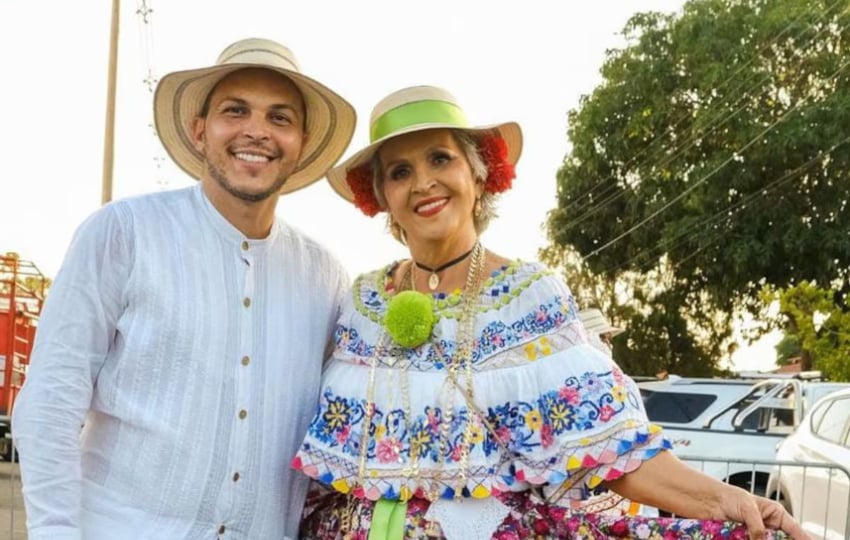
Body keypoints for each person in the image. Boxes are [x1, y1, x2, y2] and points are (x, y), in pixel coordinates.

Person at [291, 85, 808, 539]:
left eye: (440, 159)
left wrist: (731, 501)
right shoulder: (362, 305)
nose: (423, 182)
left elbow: (607, 447)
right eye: (400, 172)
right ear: (382, 197)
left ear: (478, 174)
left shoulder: (528, 296)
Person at [11, 37, 356, 540]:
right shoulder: (123, 232)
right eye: (235, 111)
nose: (256, 131)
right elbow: (51, 399)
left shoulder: (325, 277)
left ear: (299, 143)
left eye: (280, 118)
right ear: (200, 131)